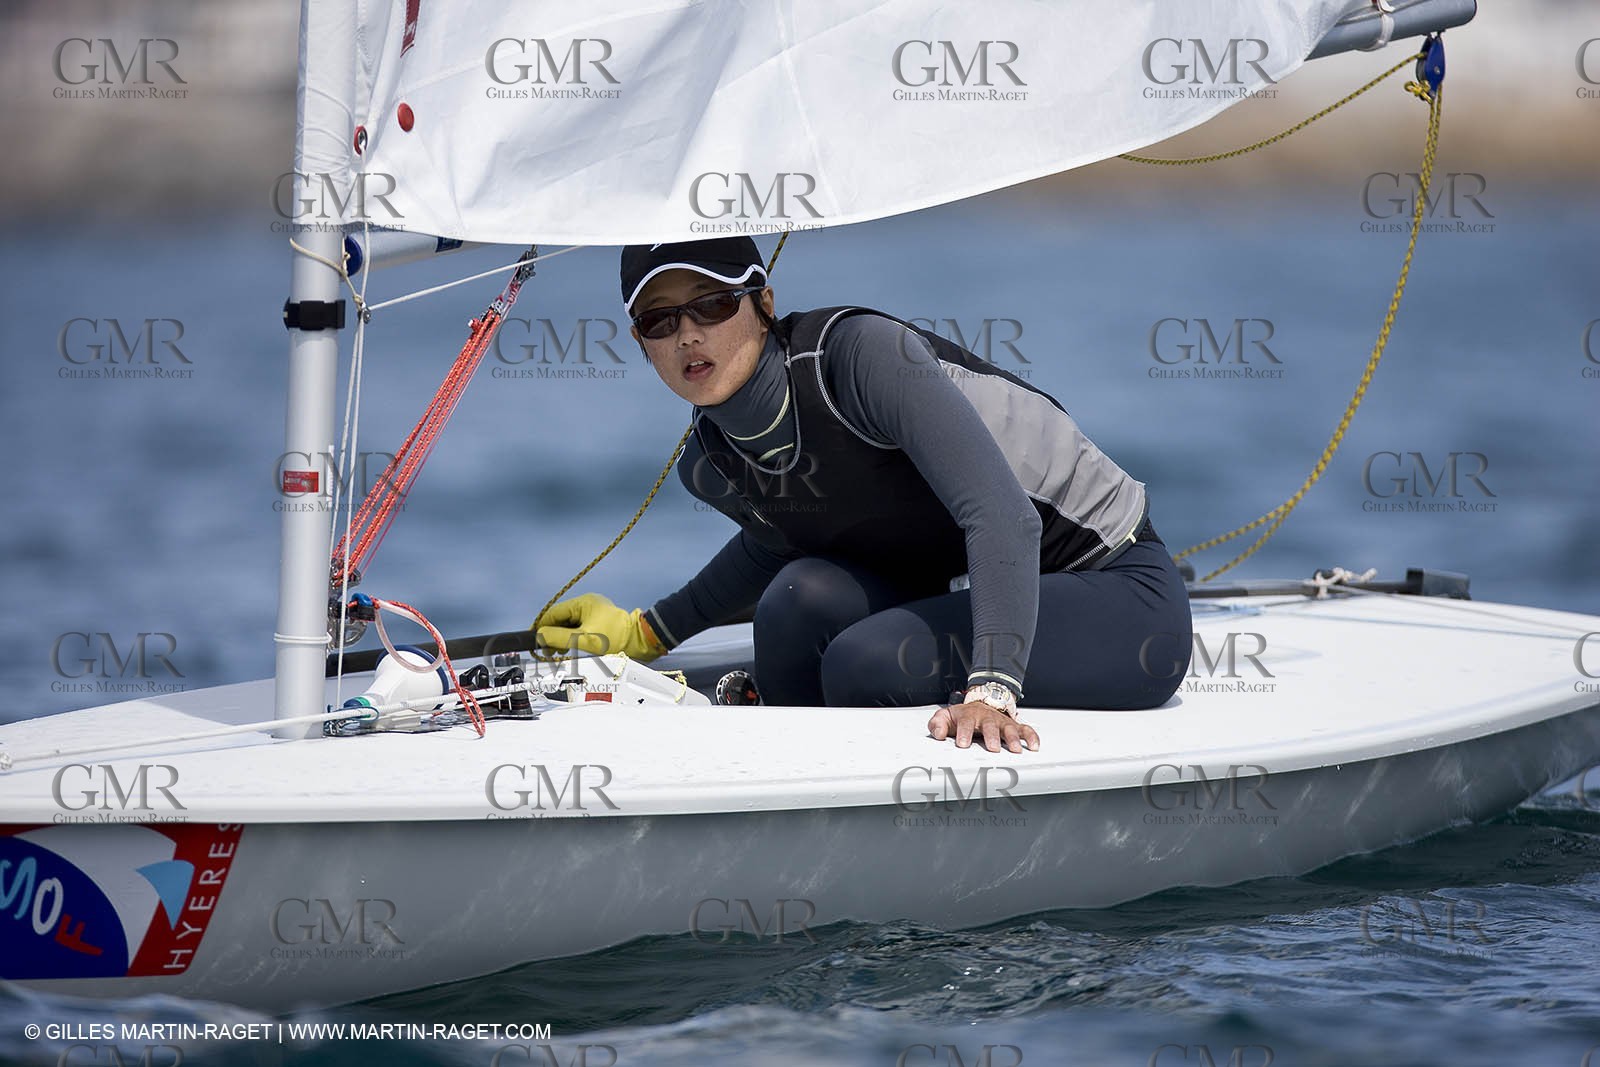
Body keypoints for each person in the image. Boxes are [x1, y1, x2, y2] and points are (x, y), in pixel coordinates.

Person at [534, 237, 1191, 753]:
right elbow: (775, 545)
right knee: (793, 608)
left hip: (1117, 588)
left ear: (763, 302)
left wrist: (992, 689)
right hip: (985, 590)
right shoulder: (711, 463)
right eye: (659, 319)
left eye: (711, 304)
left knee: (867, 662)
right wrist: (649, 630)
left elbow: (1003, 517)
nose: (688, 334)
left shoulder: (860, 358)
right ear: (641, 343)